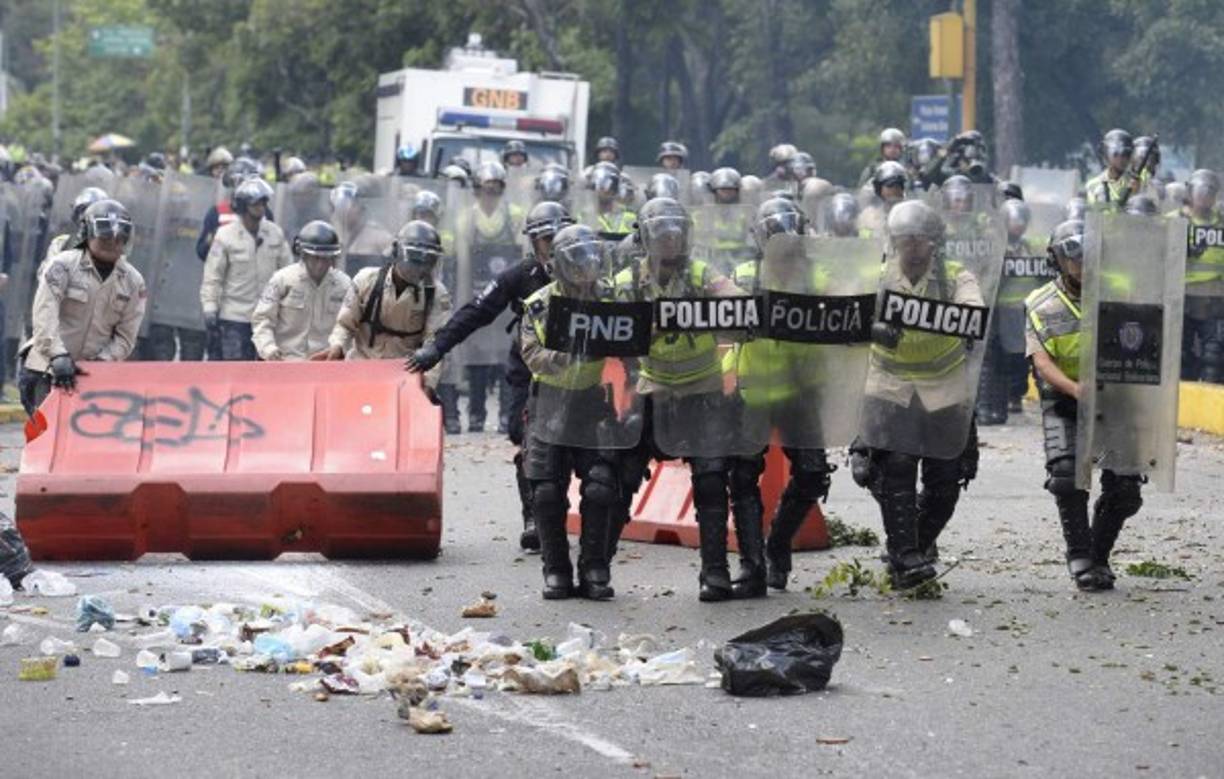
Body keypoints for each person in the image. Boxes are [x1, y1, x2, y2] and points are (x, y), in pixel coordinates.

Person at [407, 201, 573, 549]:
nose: (551, 245)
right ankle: (535, 516)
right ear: (532, 242)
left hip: (578, 373)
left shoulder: (589, 271)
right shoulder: (520, 275)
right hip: (529, 370)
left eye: (557, 236)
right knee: (524, 435)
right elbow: (478, 311)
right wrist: (437, 347)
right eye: (543, 239)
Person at [614, 197, 748, 601]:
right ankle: (595, 567)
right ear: (645, 238)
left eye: (677, 233)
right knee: (616, 477)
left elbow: (736, 299)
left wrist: (744, 312)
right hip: (652, 388)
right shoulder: (626, 283)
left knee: (710, 478)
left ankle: (716, 574)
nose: (670, 241)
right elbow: (608, 325)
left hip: (702, 388)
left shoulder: (702, 273)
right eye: (662, 233)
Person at [851, 200, 983, 589]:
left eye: (919, 240)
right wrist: (873, 327)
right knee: (897, 467)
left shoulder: (957, 276)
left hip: (944, 384)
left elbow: (972, 313)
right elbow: (847, 313)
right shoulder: (877, 276)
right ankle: (907, 555)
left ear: (934, 243)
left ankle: (912, 549)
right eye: (903, 240)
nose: (911, 247)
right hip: (890, 383)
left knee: (946, 480)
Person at [724, 198, 837, 595]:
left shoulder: (818, 277)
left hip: (801, 390)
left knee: (812, 473)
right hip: (753, 388)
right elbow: (720, 321)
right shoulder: (742, 275)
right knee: (742, 477)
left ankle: (778, 544)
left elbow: (846, 315)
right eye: (776, 236)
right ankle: (752, 566)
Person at [1026, 219, 1143, 590]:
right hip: (1064, 397)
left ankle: (1098, 553)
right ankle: (1079, 555)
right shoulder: (1040, 303)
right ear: (1056, 260)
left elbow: (1146, 340)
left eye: (1088, 256)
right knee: (1066, 475)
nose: (1081, 264)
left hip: (1117, 398)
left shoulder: (1120, 291)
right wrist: (1076, 389)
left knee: (1125, 489)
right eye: (1072, 257)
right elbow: (1041, 362)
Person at [519, 224, 626, 599]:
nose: (586, 268)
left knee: (599, 485)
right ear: (561, 265)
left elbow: (635, 334)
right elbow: (531, 354)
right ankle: (556, 569)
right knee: (547, 490)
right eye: (578, 261)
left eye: (591, 259)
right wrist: (571, 352)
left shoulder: (610, 299)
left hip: (590, 402)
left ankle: (595, 567)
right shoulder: (539, 304)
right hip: (549, 401)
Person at [18, 199, 146, 415]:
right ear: (87, 233)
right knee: (44, 440)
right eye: (104, 235)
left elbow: (126, 336)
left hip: (94, 378)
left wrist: (98, 365)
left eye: (119, 237)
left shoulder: (133, 281)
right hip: (46, 369)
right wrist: (58, 356)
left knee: (85, 445)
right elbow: (44, 315)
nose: (112, 241)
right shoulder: (62, 265)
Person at [316, 221, 451, 382]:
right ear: (397, 252)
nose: (421, 269)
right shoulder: (366, 280)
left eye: (429, 262)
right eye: (415, 260)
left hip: (404, 375)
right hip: (361, 370)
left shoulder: (436, 294)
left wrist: (427, 384)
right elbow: (345, 325)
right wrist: (337, 345)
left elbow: (434, 346)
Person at [451, 161, 526, 432]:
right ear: (476, 190)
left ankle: (507, 414)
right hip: (477, 291)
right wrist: (464, 300)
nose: (490, 194)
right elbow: (462, 261)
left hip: (508, 295)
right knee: (476, 354)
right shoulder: (466, 219)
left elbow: (521, 253)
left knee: (507, 353)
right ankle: (476, 413)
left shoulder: (516, 215)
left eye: (495, 189)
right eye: (485, 189)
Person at [200, 177, 292, 361]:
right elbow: (213, 276)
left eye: (264, 202)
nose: (261, 207)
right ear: (242, 206)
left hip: (268, 318)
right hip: (234, 318)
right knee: (235, 373)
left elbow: (289, 274)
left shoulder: (275, 233)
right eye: (255, 203)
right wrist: (210, 309)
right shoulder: (225, 236)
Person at [251, 220, 354, 361]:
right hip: (285, 362)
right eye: (315, 258)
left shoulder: (344, 285)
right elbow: (262, 319)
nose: (320, 265)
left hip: (326, 363)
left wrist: (338, 345)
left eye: (326, 258)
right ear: (303, 254)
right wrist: (268, 349)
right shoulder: (282, 279)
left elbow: (347, 323)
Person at [1181, 168, 1224, 382]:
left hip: (1215, 303)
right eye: (1200, 190)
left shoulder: (1222, 224)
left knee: (1213, 360)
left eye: (1210, 191)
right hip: (1180, 301)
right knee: (1180, 359)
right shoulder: (1176, 221)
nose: (1205, 196)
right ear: (1190, 192)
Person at [1085, 129, 1151, 209]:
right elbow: (1093, 214)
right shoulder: (1093, 185)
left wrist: (1136, 194)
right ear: (1106, 154)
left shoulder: (1139, 183)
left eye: (1126, 154)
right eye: (1116, 153)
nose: (1121, 158)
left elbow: (1145, 214)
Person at [44, 187, 108, 261]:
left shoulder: (110, 249)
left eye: (90, 212)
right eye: (81, 210)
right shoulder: (60, 243)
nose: (82, 217)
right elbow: (48, 269)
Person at [587, 162, 636, 238]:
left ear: (617, 188)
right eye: (600, 183)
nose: (605, 190)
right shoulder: (582, 217)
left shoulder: (630, 217)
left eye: (611, 185)